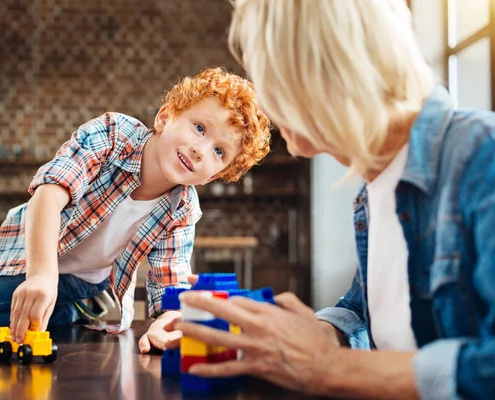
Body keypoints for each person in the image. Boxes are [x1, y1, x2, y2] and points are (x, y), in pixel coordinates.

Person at [176, 1, 495, 399]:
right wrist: (318, 333)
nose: (266, 101)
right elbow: (364, 314)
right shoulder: (376, 189)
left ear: (316, 73)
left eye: (268, 75)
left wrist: (330, 367)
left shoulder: (483, 155)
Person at [0, 67, 272, 353]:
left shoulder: (180, 209)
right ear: (166, 117)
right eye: (199, 128)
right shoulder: (113, 134)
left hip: (78, 279)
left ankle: (69, 310)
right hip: (25, 243)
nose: (201, 150)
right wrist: (41, 276)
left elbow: (169, 286)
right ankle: (56, 305)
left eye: (219, 153)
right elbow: (48, 194)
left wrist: (166, 326)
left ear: (218, 175)